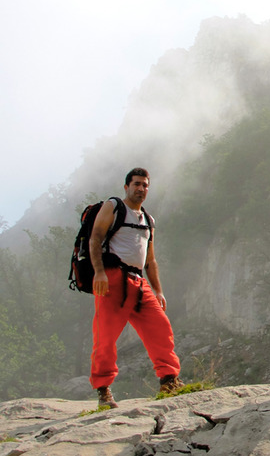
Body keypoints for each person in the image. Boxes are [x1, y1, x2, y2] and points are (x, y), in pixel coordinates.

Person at [89, 167, 182, 408]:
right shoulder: (113, 206)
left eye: (145, 185)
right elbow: (95, 239)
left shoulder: (148, 220)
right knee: (105, 337)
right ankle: (103, 390)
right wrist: (99, 272)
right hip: (112, 280)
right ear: (126, 187)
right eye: (137, 184)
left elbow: (150, 260)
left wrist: (158, 290)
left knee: (161, 328)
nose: (141, 188)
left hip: (139, 283)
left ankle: (169, 380)